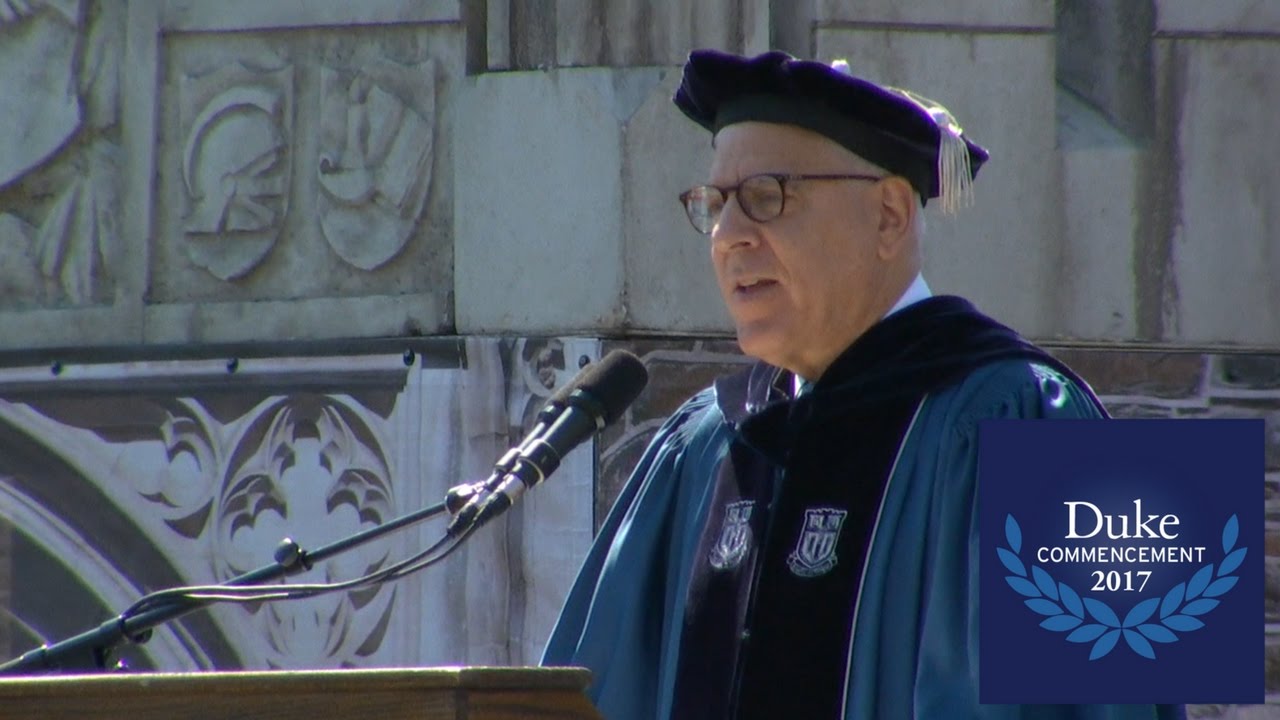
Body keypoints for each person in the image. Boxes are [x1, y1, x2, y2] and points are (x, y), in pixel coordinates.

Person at [542, 49, 1184, 720]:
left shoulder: (1041, 424)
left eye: (766, 196)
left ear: (888, 216)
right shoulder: (702, 445)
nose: (728, 235)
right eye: (715, 204)